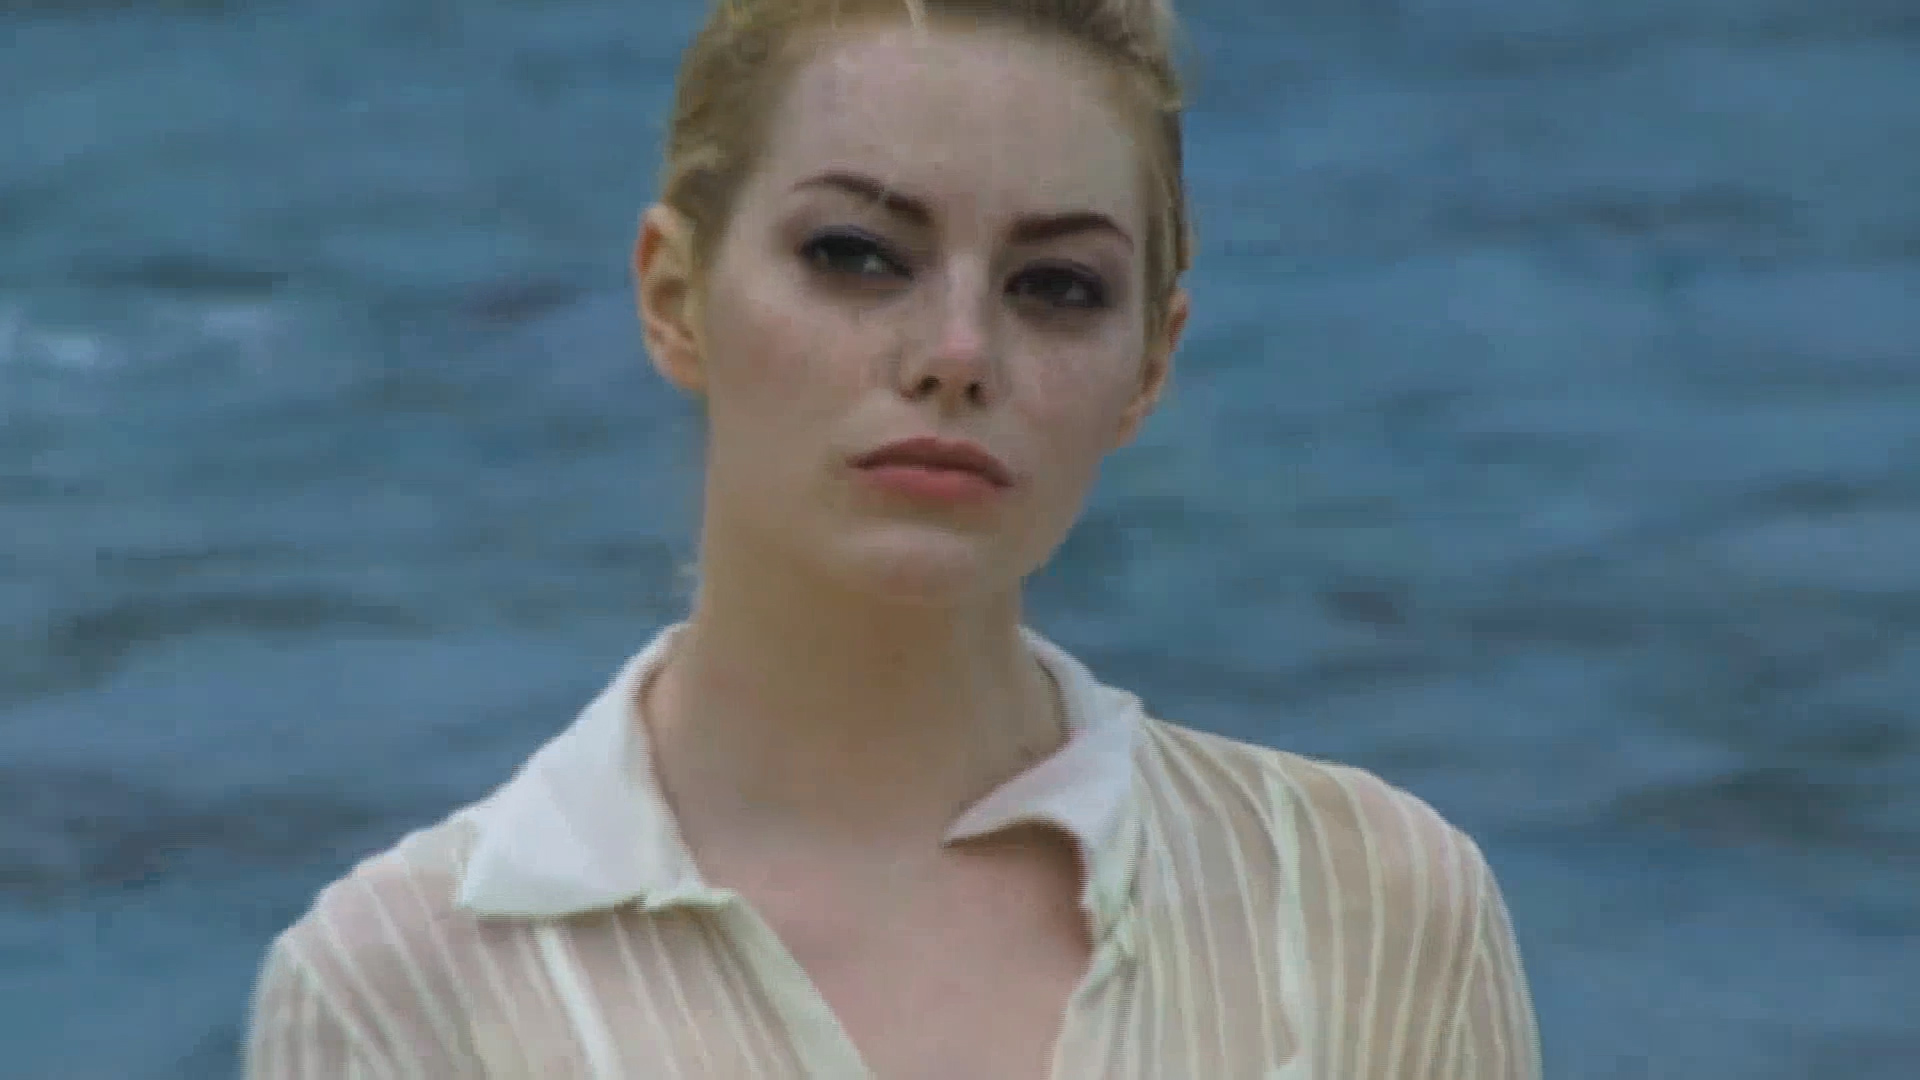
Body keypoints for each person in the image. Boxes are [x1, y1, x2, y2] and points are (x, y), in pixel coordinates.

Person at [243, 0, 1542, 1076]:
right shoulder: (399, 997)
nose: (958, 353)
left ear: (1150, 366)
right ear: (673, 296)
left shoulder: (1372, 912)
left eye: (1057, 286)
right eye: (858, 255)